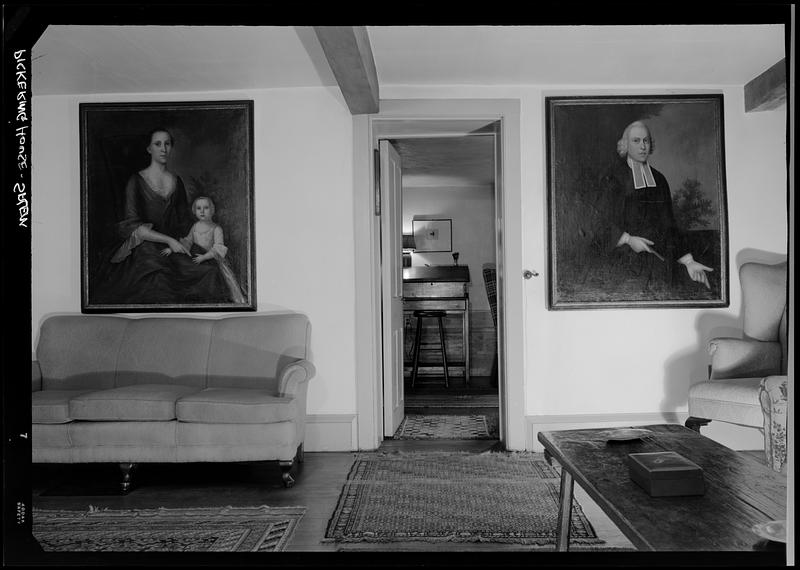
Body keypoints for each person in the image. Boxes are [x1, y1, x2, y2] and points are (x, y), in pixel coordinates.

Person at [91, 128, 235, 305]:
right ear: (149, 149)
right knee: (159, 279)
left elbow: (184, 221)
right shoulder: (135, 182)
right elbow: (134, 226)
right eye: (157, 144)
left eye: (167, 144)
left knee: (209, 271)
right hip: (146, 247)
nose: (163, 148)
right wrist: (168, 241)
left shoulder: (177, 181)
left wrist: (194, 238)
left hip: (175, 244)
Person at [602, 120, 712, 292]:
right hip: (623, 261)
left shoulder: (659, 180)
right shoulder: (613, 178)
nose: (642, 146)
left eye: (646, 141)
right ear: (625, 145)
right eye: (636, 141)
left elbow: (669, 225)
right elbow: (601, 221)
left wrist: (688, 261)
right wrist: (628, 240)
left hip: (659, 261)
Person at [175, 196, 246, 304]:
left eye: (206, 208)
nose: (202, 211)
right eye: (199, 208)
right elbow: (188, 241)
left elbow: (218, 248)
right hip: (197, 257)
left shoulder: (216, 228)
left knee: (213, 274)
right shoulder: (195, 226)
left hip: (213, 258)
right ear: (194, 211)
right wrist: (175, 248)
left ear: (212, 210)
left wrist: (204, 257)